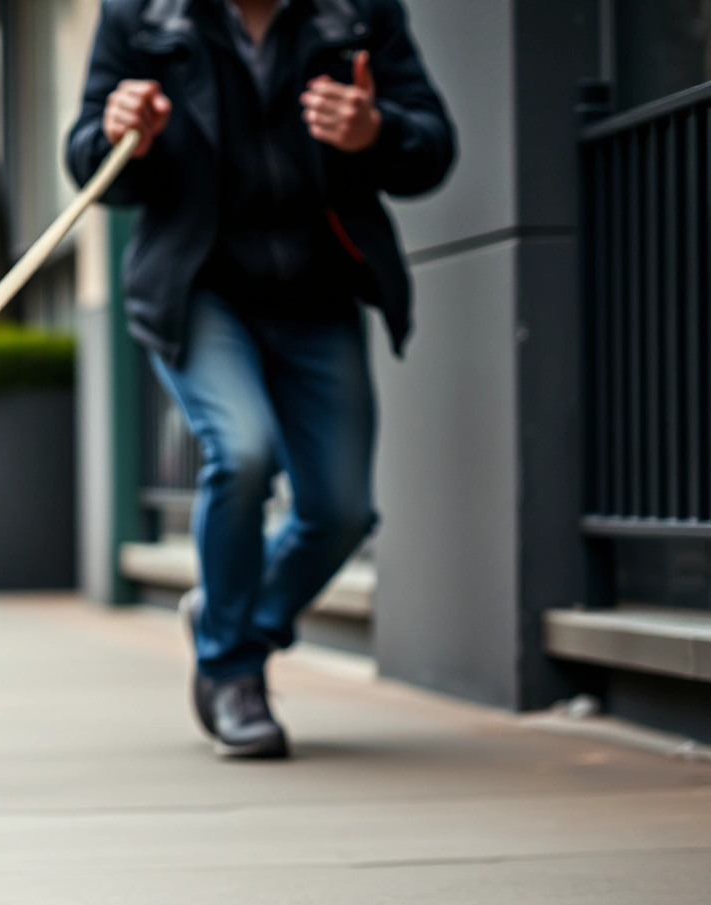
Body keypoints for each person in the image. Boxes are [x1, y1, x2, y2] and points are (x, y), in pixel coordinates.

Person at [67, 0, 454, 759]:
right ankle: (234, 673)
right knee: (241, 452)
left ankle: (226, 620)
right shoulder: (142, 18)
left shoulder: (359, 14)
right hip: (200, 290)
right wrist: (116, 133)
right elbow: (89, 165)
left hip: (319, 293)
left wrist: (378, 131)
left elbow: (434, 148)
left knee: (339, 510)